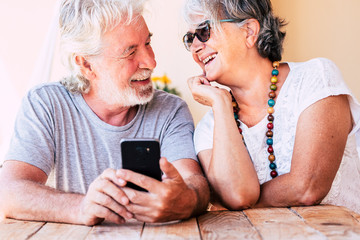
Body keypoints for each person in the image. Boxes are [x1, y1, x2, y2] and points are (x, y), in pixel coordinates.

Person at [0, 0, 210, 225]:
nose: (151, 61)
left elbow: (194, 182)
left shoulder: (170, 109)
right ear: (86, 65)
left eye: (148, 42)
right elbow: (8, 192)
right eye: (130, 52)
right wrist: (81, 207)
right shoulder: (46, 104)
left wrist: (186, 200)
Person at [182, 0, 360, 213]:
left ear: (249, 31)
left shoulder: (315, 78)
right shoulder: (209, 128)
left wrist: (234, 203)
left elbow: (307, 188)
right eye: (189, 38)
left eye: (204, 31)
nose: (194, 47)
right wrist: (221, 104)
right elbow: (238, 196)